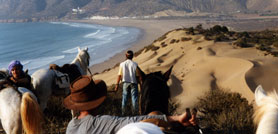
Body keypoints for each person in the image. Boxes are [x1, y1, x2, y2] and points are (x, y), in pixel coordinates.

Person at [64, 75, 197, 134]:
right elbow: (134, 120)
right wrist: (176, 118)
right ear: (97, 101)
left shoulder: (71, 126)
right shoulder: (101, 123)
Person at [114, 50, 143, 115]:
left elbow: (119, 75)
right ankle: (135, 113)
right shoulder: (135, 64)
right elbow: (139, 76)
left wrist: (117, 85)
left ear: (126, 56)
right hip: (133, 82)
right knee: (134, 99)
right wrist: (141, 85)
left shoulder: (122, 64)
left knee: (124, 99)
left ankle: (123, 113)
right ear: (132, 56)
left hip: (125, 83)